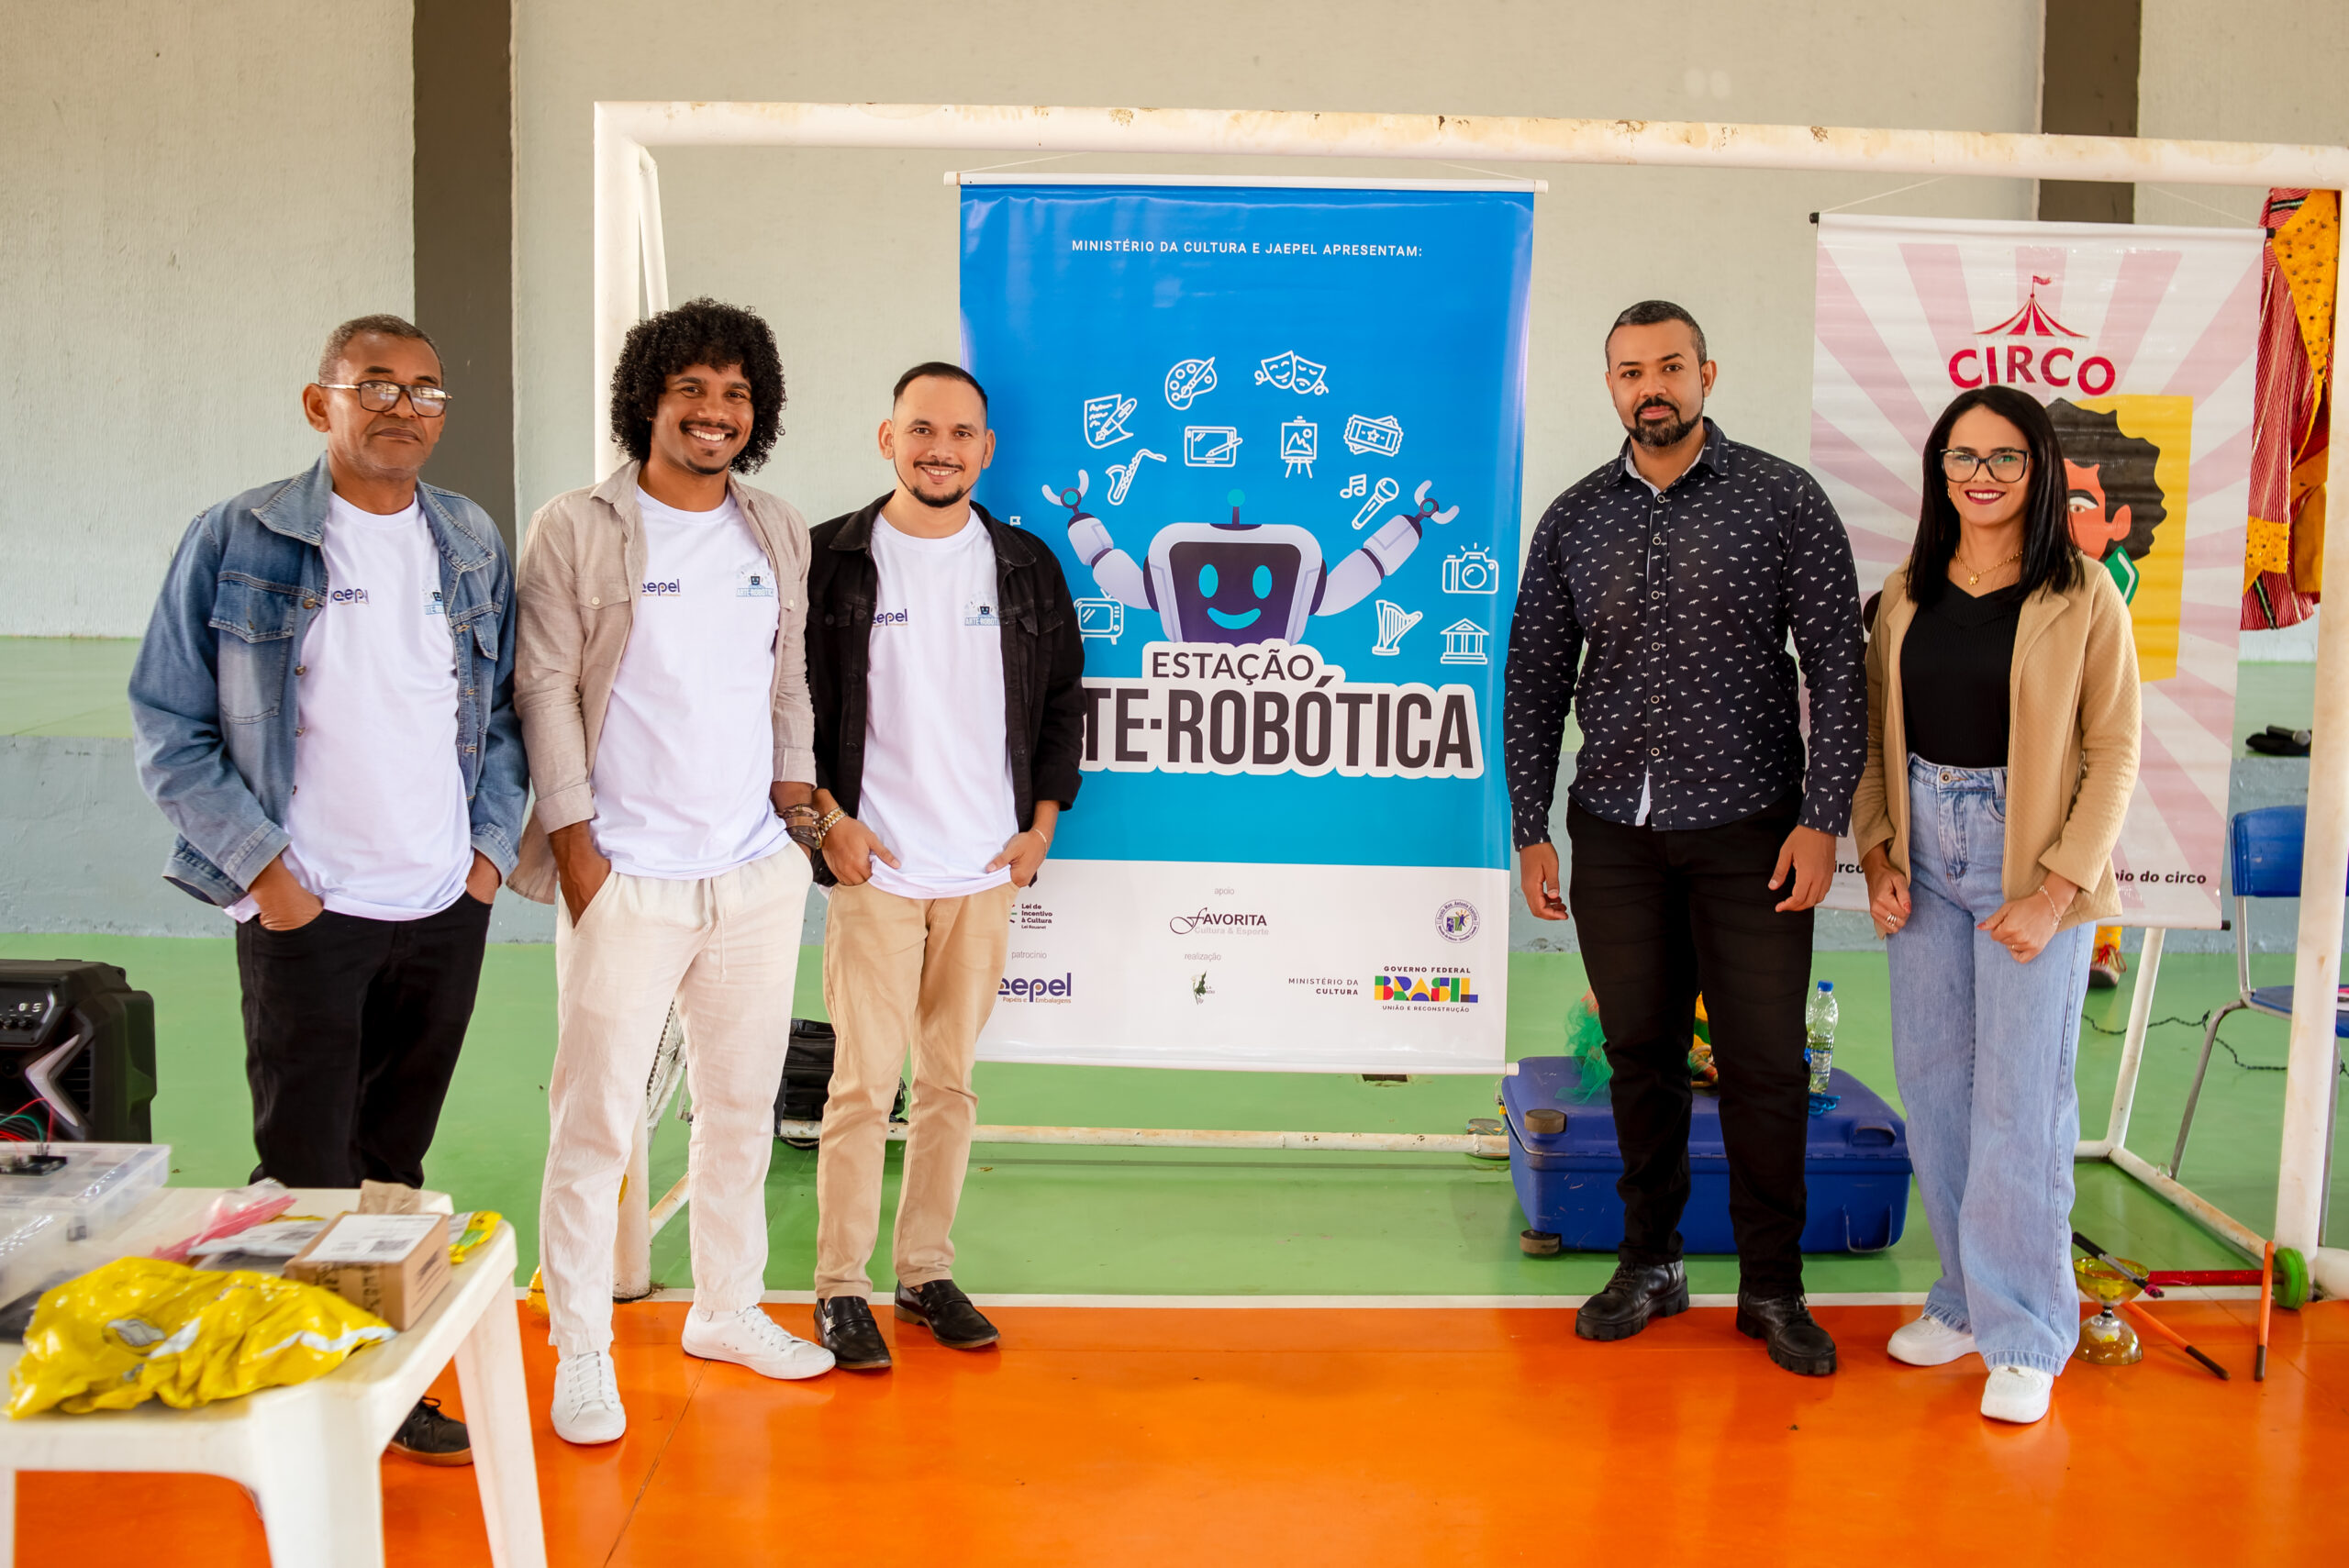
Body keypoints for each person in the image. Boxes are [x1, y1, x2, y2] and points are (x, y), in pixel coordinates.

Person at [129, 313, 529, 1463]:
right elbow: (169, 725)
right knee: (304, 1174)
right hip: (307, 908)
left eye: (425, 390)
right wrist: (269, 878)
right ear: (323, 403)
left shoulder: (468, 537)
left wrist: (485, 860)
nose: (403, 407)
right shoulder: (239, 536)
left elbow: (502, 714)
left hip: (441, 905)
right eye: (376, 385)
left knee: (393, 1167)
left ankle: (379, 1383)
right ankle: (296, 1405)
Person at [1503, 300, 1865, 1377]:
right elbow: (1533, 676)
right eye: (1630, 371)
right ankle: (1650, 1262)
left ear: (1707, 373)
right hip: (1615, 829)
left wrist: (1823, 817)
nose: (1649, 386)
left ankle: (1773, 1287)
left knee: (1763, 1065)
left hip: (1754, 827)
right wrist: (1529, 825)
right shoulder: (1574, 518)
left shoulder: (1782, 499)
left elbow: (1837, 664)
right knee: (1639, 1058)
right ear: (1610, 385)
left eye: (1669, 366)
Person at [512, 298, 834, 1445]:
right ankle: (581, 1347)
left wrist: (796, 810)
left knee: (739, 1108)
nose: (714, 411)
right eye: (691, 388)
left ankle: (726, 1307)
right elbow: (544, 686)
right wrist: (577, 846)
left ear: (759, 411)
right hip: (628, 877)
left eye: (736, 393)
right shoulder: (576, 525)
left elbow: (786, 682)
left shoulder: (774, 527)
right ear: (647, 399)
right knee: (596, 1121)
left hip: (752, 874)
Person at [1852, 384, 2140, 1425]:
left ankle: (2025, 1330)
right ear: (1940, 470)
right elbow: (1872, 737)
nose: (1981, 475)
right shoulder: (1903, 592)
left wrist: (2058, 890)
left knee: (2021, 1098)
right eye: (1962, 456)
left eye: (2005, 457)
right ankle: (1965, 1300)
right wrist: (1877, 852)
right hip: (1923, 851)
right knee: (1933, 1086)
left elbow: (2114, 751)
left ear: (2038, 469)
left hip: (2030, 859)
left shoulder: (2084, 593)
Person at [802, 362, 1085, 1370]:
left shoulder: (1025, 564)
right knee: (859, 1086)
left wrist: (1039, 829)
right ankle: (840, 1286)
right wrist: (826, 823)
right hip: (874, 869)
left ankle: (924, 1271)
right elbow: (788, 706)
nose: (941, 449)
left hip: (981, 872)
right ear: (888, 438)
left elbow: (1063, 701)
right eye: (922, 429)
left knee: (949, 1084)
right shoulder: (829, 559)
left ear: (985, 449)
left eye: (961, 433)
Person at [2047, 397, 2165, 992]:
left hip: (2097, 729)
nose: (2061, 522)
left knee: (2099, 825)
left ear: (2119, 522)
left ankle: (2104, 941)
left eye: (2076, 505)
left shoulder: (2105, 583)